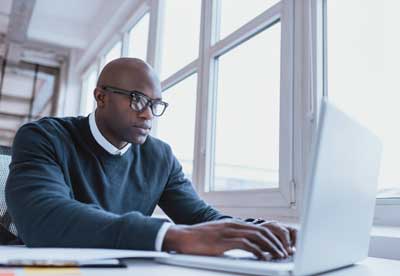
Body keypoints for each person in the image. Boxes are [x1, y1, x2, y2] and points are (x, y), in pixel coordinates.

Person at [5, 58, 296, 260]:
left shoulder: (160, 157)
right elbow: (43, 218)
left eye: (155, 104)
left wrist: (257, 230)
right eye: (137, 99)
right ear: (100, 97)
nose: (147, 114)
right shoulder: (44, 136)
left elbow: (200, 218)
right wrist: (171, 235)